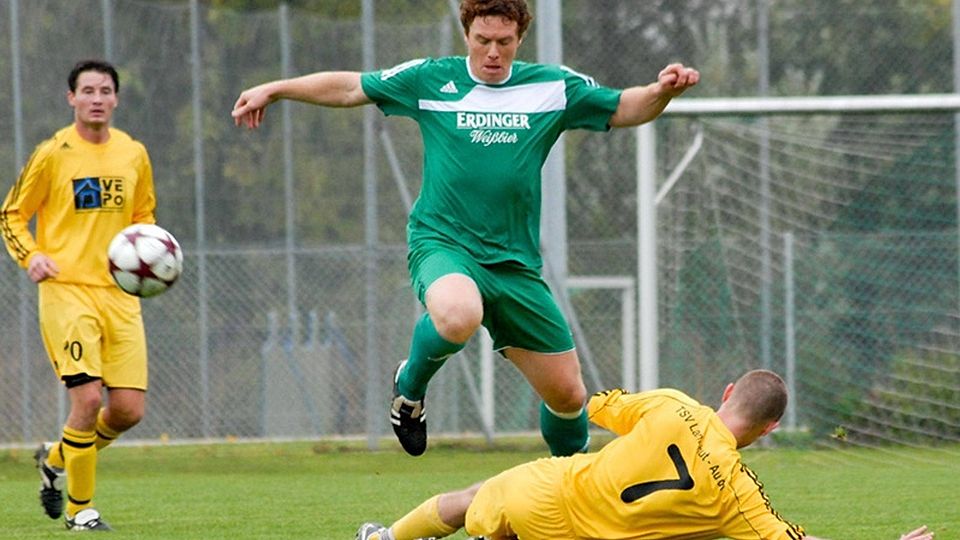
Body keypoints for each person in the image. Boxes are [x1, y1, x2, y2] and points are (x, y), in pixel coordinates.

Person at [232, 0, 699, 458]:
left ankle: (571, 490)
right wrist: (276, 88)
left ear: (520, 39)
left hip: (515, 265)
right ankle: (409, 389)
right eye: (482, 41)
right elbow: (352, 88)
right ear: (466, 36)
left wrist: (662, 91)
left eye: (503, 42)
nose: (493, 52)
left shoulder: (552, 86)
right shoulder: (432, 78)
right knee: (459, 314)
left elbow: (624, 107)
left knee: (568, 397)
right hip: (444, 243)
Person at [354, 370, 935, 540]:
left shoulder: (672, 405)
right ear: (771, 428)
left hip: (551, 493)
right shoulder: (739, 493)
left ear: (728, 392)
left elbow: (592, 405)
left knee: (471, 501)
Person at [1, 59, 158, 531]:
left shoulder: (133, 153)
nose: (96, 98)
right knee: (87, 400)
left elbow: (143, 216)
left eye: (104, 90)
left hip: (120, 297)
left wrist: (152, 255)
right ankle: (80, 511)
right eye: (86, 90)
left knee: (129, 410)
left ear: (115, 99)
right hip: (67, 291)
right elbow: (11, 214)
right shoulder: (53, 153)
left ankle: (55, 458)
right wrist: (31, 257)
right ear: (71, 99)